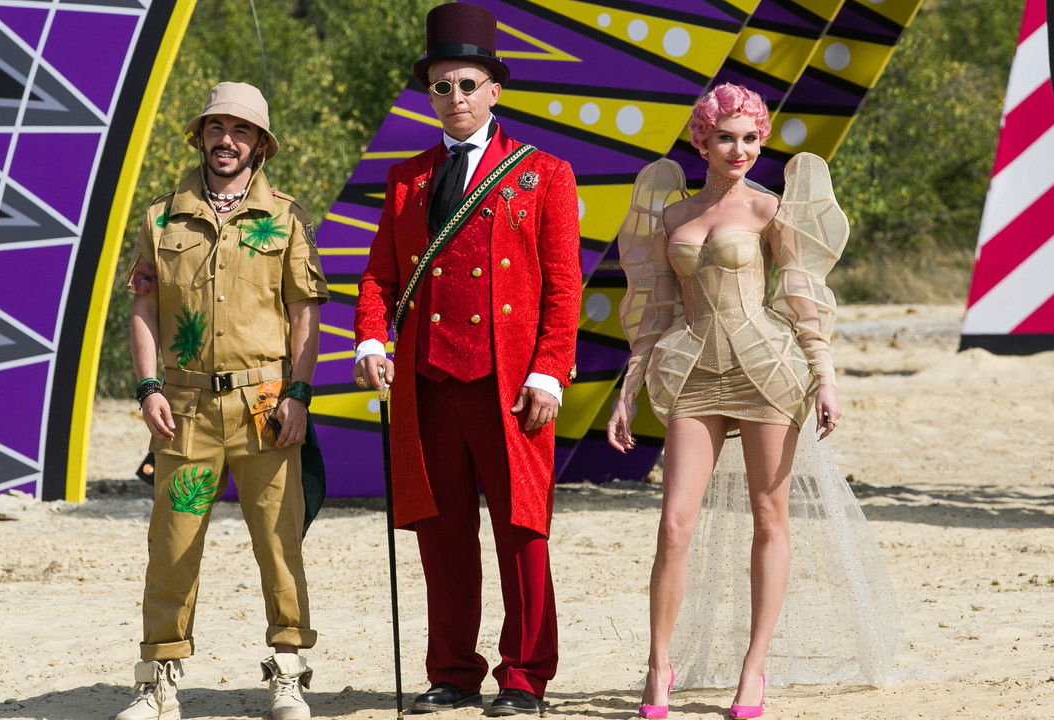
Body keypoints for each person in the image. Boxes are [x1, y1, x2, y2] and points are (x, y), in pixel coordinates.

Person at [607, 83, 897, 718]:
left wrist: (826, 377)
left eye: (750, 139)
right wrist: (628, 389)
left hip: (767, 370)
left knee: (770, 517)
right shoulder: (672, 216)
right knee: (674, 524)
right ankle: (659, 666)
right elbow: (652, 309)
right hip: (690, 370)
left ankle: (754, 668)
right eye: (725, 138)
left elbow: (802, 298)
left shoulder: (771, 211)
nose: (739, 150)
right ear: (702, 142)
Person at [353, 3, 581, 715]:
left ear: (494, 90)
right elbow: (380, 275)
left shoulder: (544, 174)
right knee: (442, 533)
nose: (454, 97)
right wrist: (371, 338)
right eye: (441, 86)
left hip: (509, 383)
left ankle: (525, 676)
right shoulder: (406, 178)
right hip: (429, 381)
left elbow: (563, 286)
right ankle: (452, 670)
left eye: (467, 84)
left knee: (522, 531)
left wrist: (549, 371)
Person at [118, 81, 329, 720]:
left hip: (265, 408)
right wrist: (148, 387)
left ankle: (288, 673)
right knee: (173, 544)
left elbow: (304, 314)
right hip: (185, 411)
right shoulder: (162, 218)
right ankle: (158, 681)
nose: (227, 141)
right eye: (216, 128)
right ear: (201, 137)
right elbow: (144, 306)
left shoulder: (286, 218)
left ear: (259, 144)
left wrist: (298, 395)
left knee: (278, 542)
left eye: (241, 131)